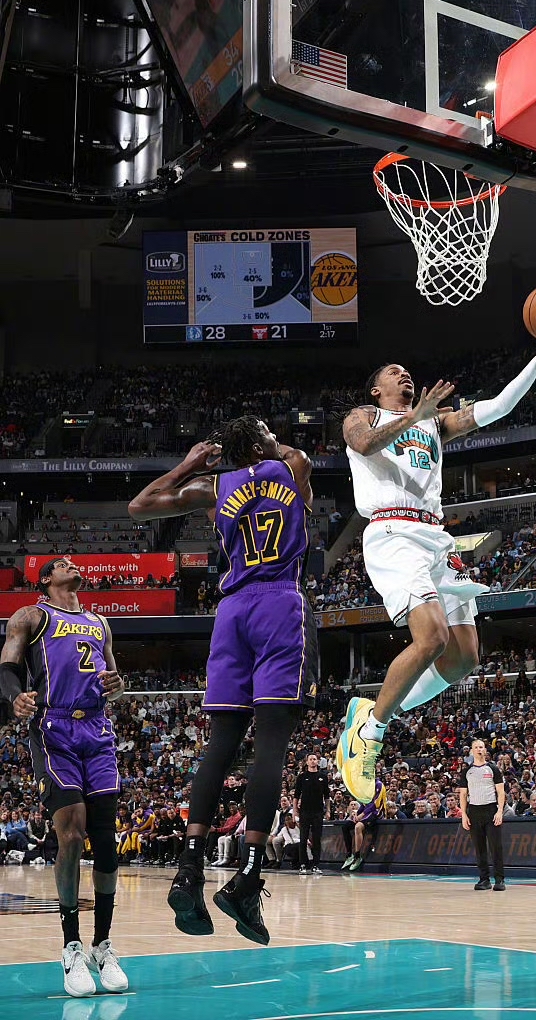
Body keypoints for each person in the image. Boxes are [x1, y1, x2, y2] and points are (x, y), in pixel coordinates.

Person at [337, 315, 536, 803]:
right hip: (392, 531)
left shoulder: (433, 423)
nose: (404, 374)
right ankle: (368, 736)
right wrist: (415, 415)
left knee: (464, 656)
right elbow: (362, 444)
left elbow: (498, 407)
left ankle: (377, 710)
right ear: (377, 389)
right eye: (393, 372)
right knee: (431, 638)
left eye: (407, 370)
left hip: (435, 537)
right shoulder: (362, 415)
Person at [128, 417, 316, 945]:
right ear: (260, 442)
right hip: (279, 603)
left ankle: (189, 870)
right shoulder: (291, 465)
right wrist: (263, 443)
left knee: (222, 744)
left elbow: (139, 506)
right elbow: (291, 454)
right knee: (271, 742)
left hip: (231, 613)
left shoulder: (215, 487)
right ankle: (248, 878)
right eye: (267, 432)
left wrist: (189, 464)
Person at [0, 557, 128, 997]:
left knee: (106, 842)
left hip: (97, 729)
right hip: (54, 727)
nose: (72, 564)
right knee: (71, 835)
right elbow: (7, 667)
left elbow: (114, 678)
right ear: (46, 579)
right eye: (61, 563)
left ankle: (102, 945)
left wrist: (118, 686)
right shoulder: (30, 616)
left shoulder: (99, 622)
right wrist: (15, 697)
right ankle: (71, 945)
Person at [458, 739, 506, 891]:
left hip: (490, 810)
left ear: (485, 750)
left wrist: (499, 811)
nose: (479, 749)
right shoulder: (467, 771)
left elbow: (501, 792)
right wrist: (464, 815)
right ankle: (484, 880)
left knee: (495, 847)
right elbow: (463, 794)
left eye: (481, 747)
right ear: (472, 751)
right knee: (479, 848)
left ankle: (499, 879)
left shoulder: (493, 768)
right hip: (474, 811)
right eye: (476, 747)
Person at [293, 753, 330, 875]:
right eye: (311, 759)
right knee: (303, 839)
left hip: (318, 812)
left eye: (315, 759)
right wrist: (295, 811)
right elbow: (296, 796)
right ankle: (303, 864)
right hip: (304, 812)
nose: (313, 761)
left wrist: (328, 810)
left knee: (317, 839)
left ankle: (315, 865)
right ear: (307, 762)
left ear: (317, 761)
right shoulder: (302, 777)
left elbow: (327, 796)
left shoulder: (323, 777)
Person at [341, 780, 387, 872]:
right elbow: (363, 804)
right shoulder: (365, 786)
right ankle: (350, 854)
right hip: (366, 812)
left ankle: (357, 856)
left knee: (358, 826)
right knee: (345, 826)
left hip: (377, 812)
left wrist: (361, 815)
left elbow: (375, 804)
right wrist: (357, 814)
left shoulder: (379, 785)